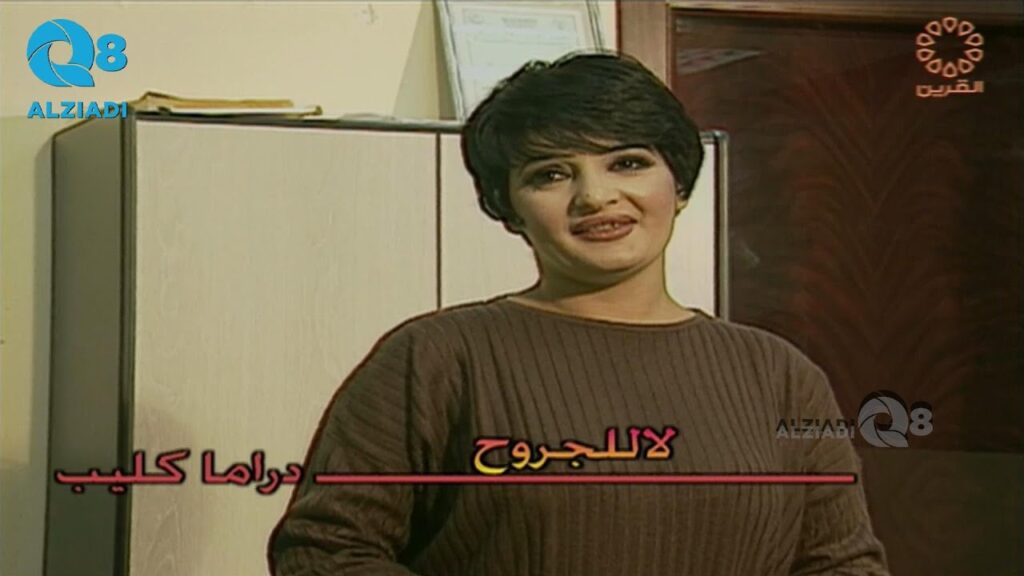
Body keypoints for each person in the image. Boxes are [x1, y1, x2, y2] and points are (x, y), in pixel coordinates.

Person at [268, 51, 890, 575]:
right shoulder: (437, 358)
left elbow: (843, 564)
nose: (595, 196)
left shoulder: (781, 376)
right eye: (551, 174)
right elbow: (324, 551)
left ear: (678, 184)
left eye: (628, 163)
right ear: (509, 209)